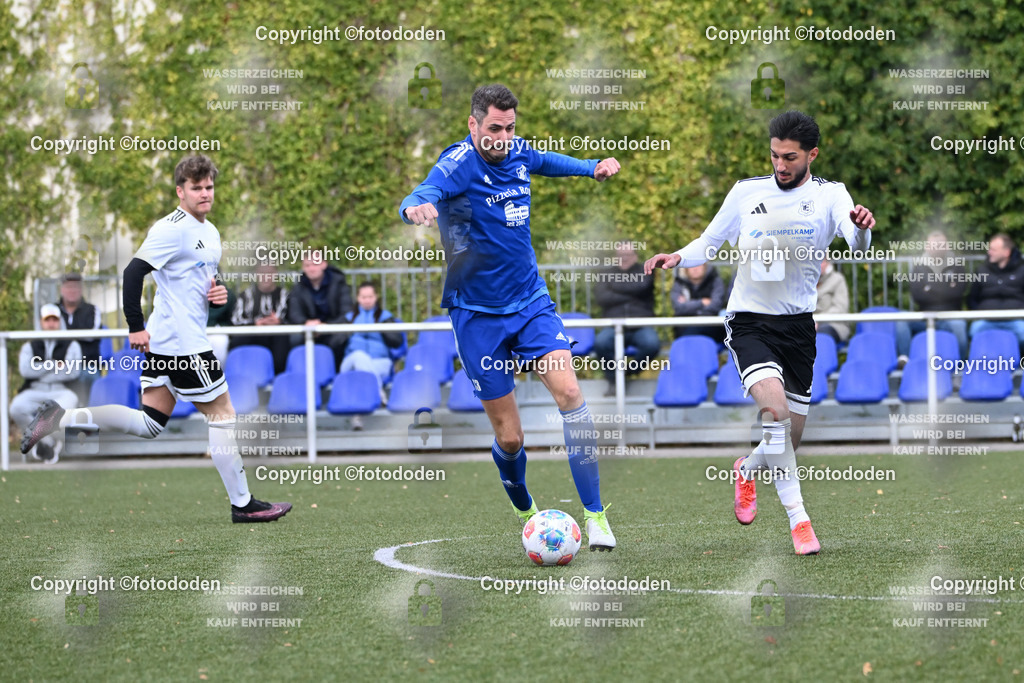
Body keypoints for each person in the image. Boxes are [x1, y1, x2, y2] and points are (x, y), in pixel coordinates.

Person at [400, 83, 621, 550]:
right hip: (477, 317)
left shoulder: (517, 151)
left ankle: (597, 516)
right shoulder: (459, 163)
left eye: (510, 127)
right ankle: (524, 505)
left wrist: (590, 168)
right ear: (473, 124)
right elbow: (426, 189)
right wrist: (414, 207)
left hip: (531, 303)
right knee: (512, 438)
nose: (503, 137)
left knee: (570, 392)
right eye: (494, 128)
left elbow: (546, 160)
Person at [645, 110, 876, 555]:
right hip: (749, 320)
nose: (780, 165)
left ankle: (747, 469)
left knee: (787, 437)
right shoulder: (746, 192)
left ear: (812, 154)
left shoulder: (832, 196)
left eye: (790, 157)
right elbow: (710, 242)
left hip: (798, 328)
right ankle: (800, 521)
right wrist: (677, 255)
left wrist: (864, 228)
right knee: (774, 415)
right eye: (774, 155)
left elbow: (856, 242)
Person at [21, 155, 290, 523]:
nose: (205, 193)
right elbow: (133, 274)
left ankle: (60, 416)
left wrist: (220, 293)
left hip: (171, 343)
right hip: (184, 344)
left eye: (209, 186)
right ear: (180, 191)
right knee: (224, 416)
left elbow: (206, 281)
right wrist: (135, 326)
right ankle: (243, 504)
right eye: (196, 188)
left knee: (149, 423)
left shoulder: (209, 232)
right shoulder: (170, 228)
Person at [12, 304, 81, 463]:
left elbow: (73, 371)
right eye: (47, 320)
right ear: (41, 322)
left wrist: (40, 369)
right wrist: (53, 366)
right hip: (35, 390)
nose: (51, 324)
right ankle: (47, 442)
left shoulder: (72, 344)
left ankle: (39, 442)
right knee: (17, 407)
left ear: (60, 322)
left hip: (61, 390)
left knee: (66, 404)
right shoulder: (29, 345)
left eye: (54, 320)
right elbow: (25, 370)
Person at [592, 242, 661, 396]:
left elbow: (642, 286)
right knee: (601, 343)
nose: (624, 258)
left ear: (635, 256)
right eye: (620, 255)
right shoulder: (605, 272)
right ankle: (614, 382)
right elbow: (602, 297)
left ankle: (626, 373)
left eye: (627, 255)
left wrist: (614, 287)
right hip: (612, 324)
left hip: (640, 324)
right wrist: (632, 296)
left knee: (652, 344)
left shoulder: (645, 270)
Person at [336, 282, 405, 428]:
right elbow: (334, 342)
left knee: (360, 374)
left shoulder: (385, 317)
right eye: (363, 297)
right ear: (358, 298)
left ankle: (357, 418)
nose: (367, 300)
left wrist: (383, 330)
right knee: (359, 356)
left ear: (376, 297)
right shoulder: (348, 318)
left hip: (380, 362)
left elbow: (397, 342)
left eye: (370, 296)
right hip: (351, 362)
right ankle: (378, 392)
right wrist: (346, 333)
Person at [904, 230, 969, 359]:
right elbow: (917, 296)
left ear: (947, 246)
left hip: (952, 315)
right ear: (927, 247)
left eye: (940, 244)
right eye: (934, 244)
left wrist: (929, 289)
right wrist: (946, 287)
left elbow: (958, 292)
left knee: (959, 327)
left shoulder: (957, 267)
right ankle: (906, 361)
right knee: (901, 323)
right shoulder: (919, 268)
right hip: (924, 315)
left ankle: (961, 368)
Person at [286, 257, 352, 366]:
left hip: (333, 330)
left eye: (315, 264)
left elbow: (346, 312)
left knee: (341, 338)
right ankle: (300, 374)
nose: (311, 268)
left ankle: (335, 375)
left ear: (324, 264)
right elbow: (294, 313)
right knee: (294, 338)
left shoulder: (339, 284)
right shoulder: (297, 287)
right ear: (303, 268)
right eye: (307, 265)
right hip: (308, 330)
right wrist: (306, 323)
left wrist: (325, 327)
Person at [230, 262, 291, 374]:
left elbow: (293, 320)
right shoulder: (245, 296)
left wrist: (279, 321)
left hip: (276, 337)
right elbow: (235, 321)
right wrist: (256, 323)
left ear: (276, 274)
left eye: (269, 273)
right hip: (251, 335)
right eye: (262, 273)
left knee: (283, 337)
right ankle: (238, 375)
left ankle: (278, 377)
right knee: (238, 339)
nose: (266, 277)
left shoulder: (285, 295)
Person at [966, 233, 1024, 348]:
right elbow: (972, 298)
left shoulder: (1022, 270)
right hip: (987, 320)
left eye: (993, 249)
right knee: (974, 331)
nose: (989, 252)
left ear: (1006, 252)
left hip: (1016, 320)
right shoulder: (981, 270)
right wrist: (980, 313)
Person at [56, 272, 103, 401]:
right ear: (61, 289)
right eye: (68, 286)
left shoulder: (92, 310)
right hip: (58, 365)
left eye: (75, 286)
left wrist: (64, 334)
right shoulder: (52, 310)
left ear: (81, 289)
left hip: (87, 365)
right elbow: (46, 336)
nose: (72, 290)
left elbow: (90, 335)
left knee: (90, 376)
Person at [670, 262, 727, 341]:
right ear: (686, 269)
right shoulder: (679, 283)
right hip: (684, 328)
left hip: (711, 326)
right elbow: (678, 308)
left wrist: (689, 306)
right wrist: (702, 302)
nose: (695, 268)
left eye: (698, 265)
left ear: (705, 266)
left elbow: (716, 306)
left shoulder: (715, 281)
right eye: (691, 265)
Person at [814, 259, 850, 344]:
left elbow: (840, 308)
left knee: (820, 337)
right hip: (809, 324)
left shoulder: (838, 279)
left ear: (827, 262)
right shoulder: (806, 281)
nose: (818, 264)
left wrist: (818, 321)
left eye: (821, 261)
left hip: (834, 324)